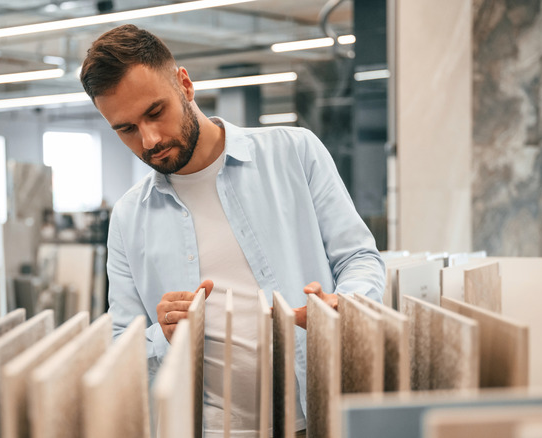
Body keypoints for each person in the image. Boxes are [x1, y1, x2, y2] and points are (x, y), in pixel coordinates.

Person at [80, 24, 385, 437]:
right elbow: (122, 343)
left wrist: (345, 303)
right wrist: (161, 334)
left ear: (185, 85)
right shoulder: (129, 217)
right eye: (126, 129)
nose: (149, 139)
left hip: (316, 416)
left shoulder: (294, 151)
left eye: (155, 112)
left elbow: (359, 258)